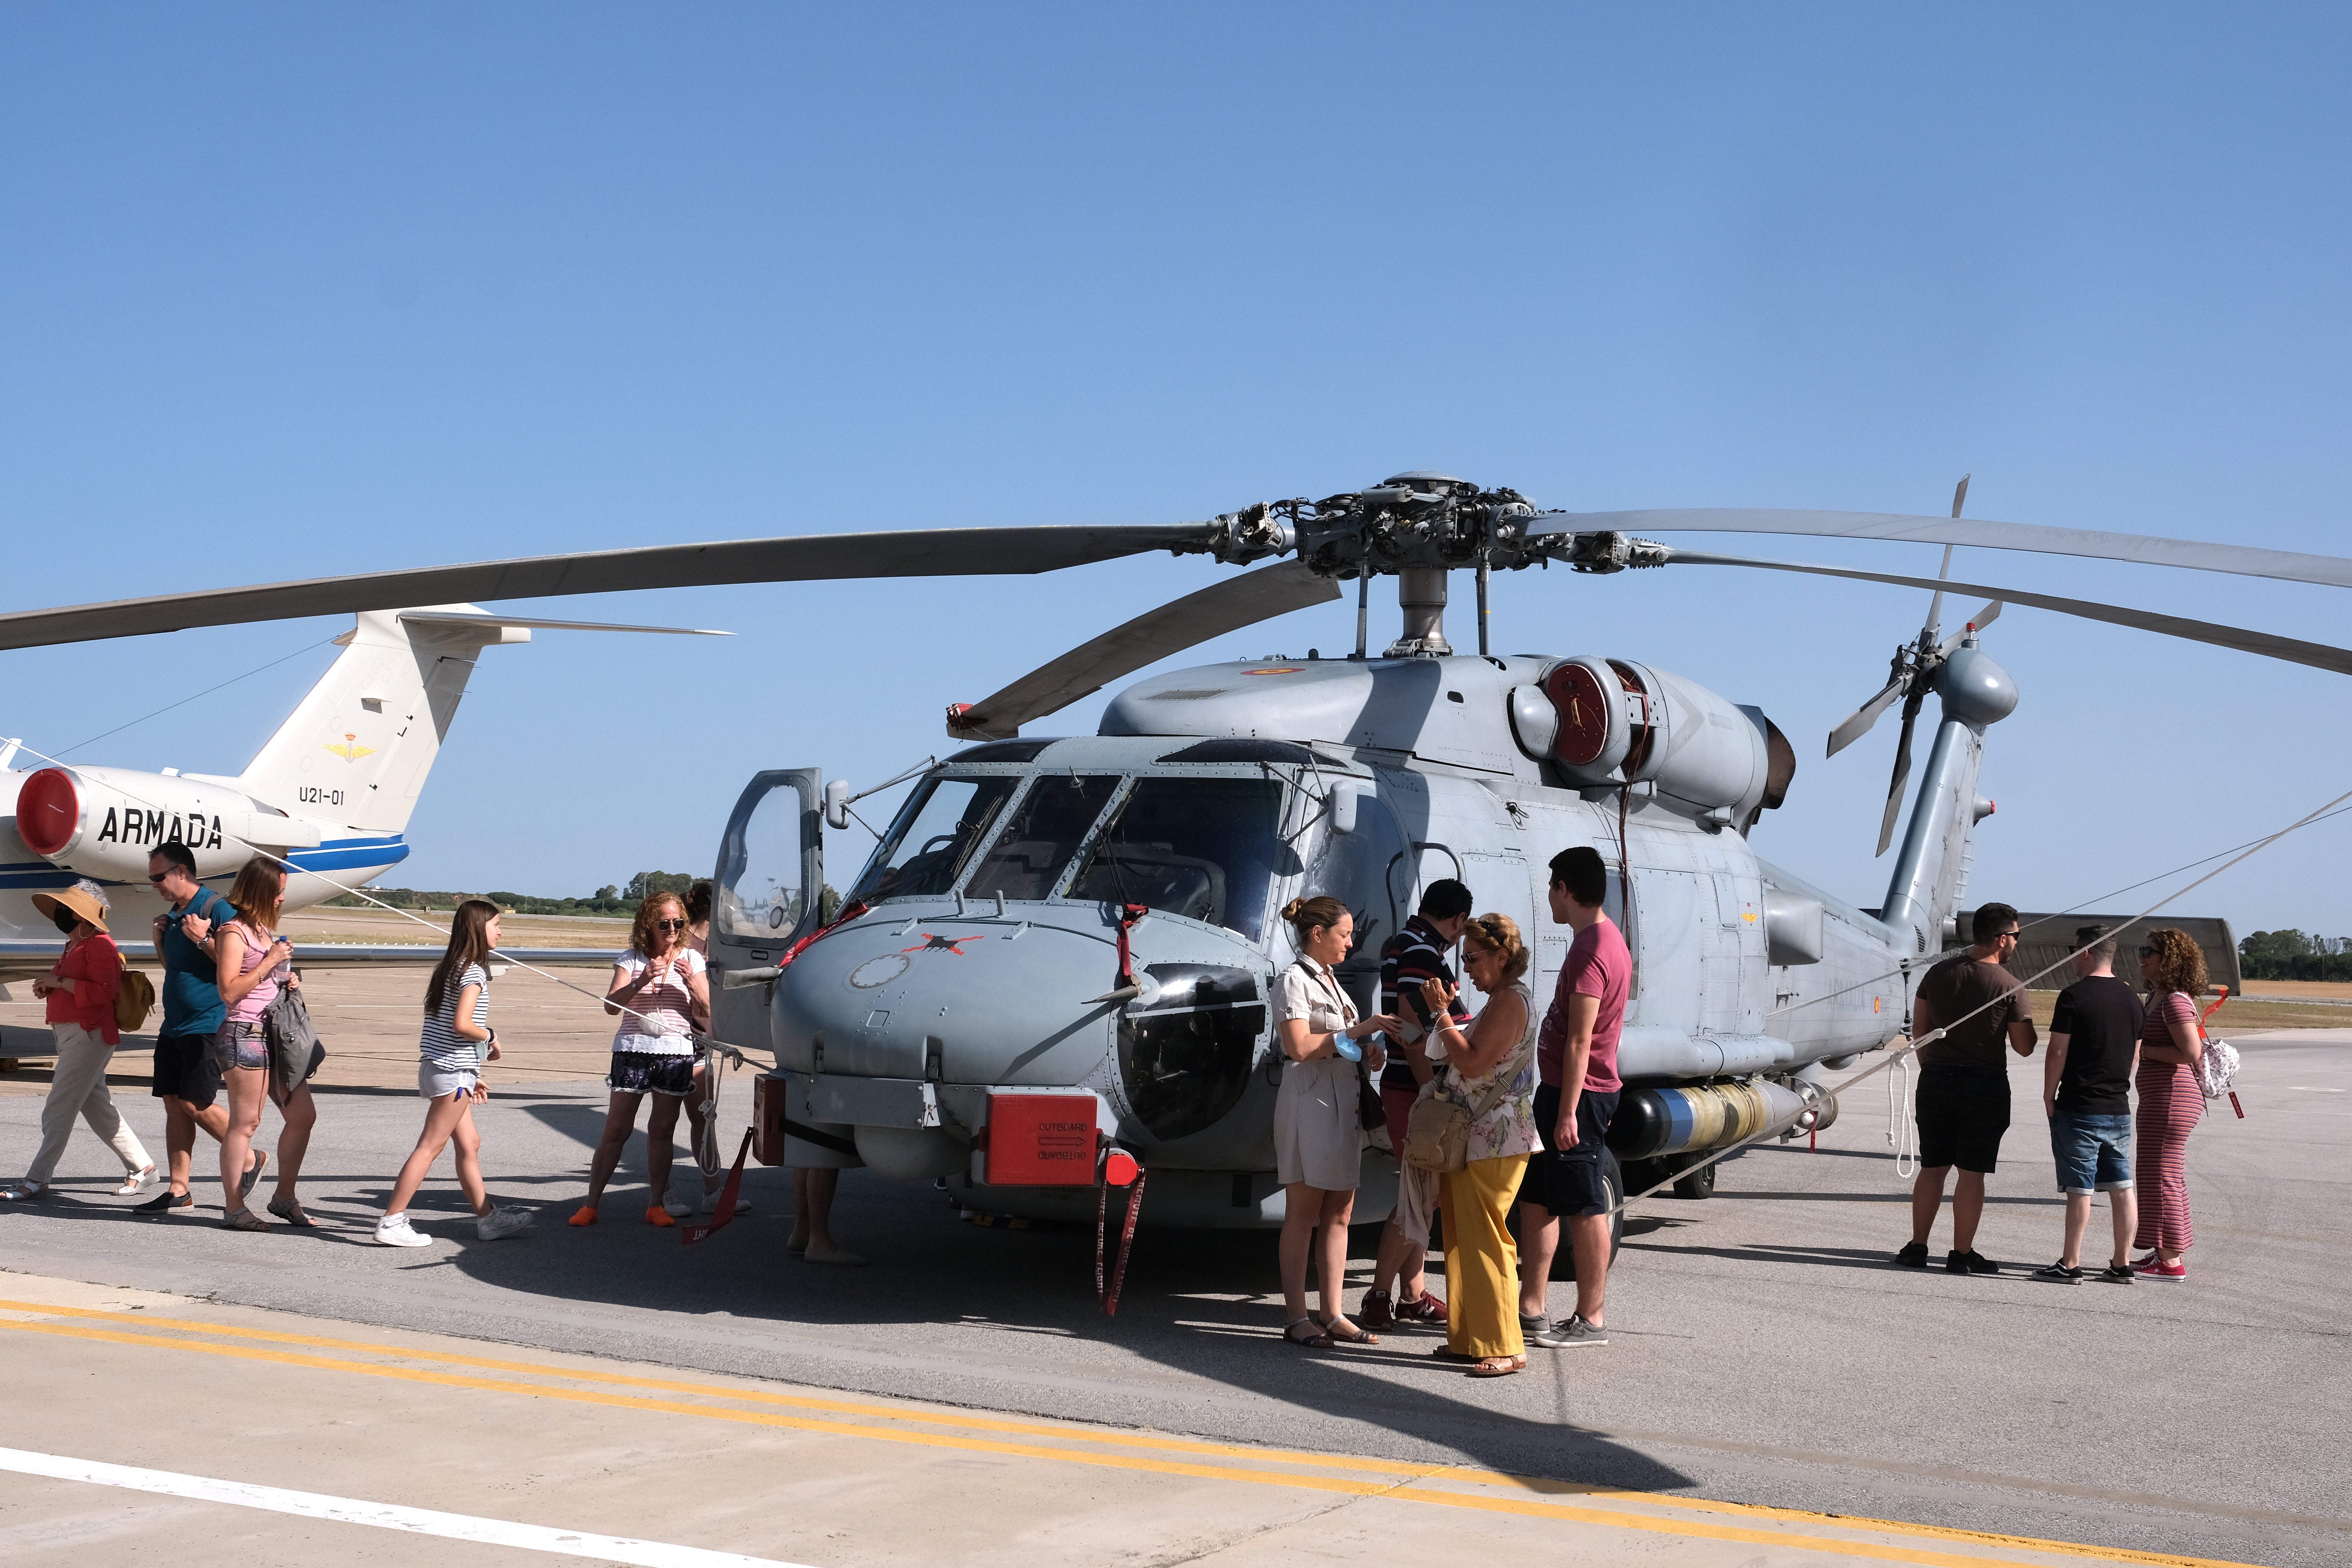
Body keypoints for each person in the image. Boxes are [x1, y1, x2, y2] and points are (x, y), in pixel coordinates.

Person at [1270, 894, 1401, 1349]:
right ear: (1318, 934)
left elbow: (1338, 1042)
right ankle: (1295, 1316)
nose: (1350, 942)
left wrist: (1367, 1049)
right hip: (1311, 1104)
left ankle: (1331, 1311)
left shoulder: (1331, 981)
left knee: (1340, 1212)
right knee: (1303, 1214)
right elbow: (1299, 1047)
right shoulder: (1293, 980)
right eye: (1344, 934)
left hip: (1342, 1100)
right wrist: (1359, 1032)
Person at [1517, 846, 1630, 1350]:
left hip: (1578, 1097)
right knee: (1538, 1200)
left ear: (1565, 889)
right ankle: (1531, 1307)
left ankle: (1591, 1318)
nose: (1548, 899)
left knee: (1584, 1207)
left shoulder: (1593, 949)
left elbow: (1581, 1039)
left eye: (1551, 888)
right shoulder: (1595, 940)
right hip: (1560, 1092)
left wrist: (1567, 1113)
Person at [1415, 914, 1539, 1377]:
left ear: (1502, 958)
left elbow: (1470, 1063)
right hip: (1482, 1134)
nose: (1466, 968)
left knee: (1487, 1238)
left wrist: (1440, 1014)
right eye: (1462, 957)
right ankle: (1470, 1337)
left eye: (1473, 959)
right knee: (1464, 1238)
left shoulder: (1509, 1000)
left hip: (1497, 1136)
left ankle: (1506, 1344)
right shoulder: (1502, 999)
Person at [375, 900, 536, 1246]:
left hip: (444, 1068)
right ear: (480, 929)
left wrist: (470, 1071)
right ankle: (392, 1221)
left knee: (469, 1143)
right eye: (496, 925)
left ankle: (487, 1219)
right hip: (451, 1072)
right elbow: (463, 1025)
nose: (501, 931)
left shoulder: (451, 967)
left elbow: (445, 1028)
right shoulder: (474, 972)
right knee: (429, 1147)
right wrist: (491, 1037)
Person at [1899, 902, 2037, 1275]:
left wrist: (1934, 1067)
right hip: (1984, 1083)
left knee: (1933, 1167)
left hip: (1937, 1079)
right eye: (2016, 936)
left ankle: (1918, 1245)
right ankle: (1961, 1252)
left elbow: (1920, 1031)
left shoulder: (1937, 973)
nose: (2017, 943)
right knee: (1971, 1172)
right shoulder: (2009, 985)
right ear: (2002, 938)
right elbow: (2024, 1046)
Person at [1361, 879, 1472, 1331]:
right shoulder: (1423, 954)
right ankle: (1380, 1294)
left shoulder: (1404, 943)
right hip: (1417, 1088)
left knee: (1423, 1197)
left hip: (1408, 1086)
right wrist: (1434, 1094)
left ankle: (1412, 1293)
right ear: (1458, 919)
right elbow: (1412, 1030)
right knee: (1417, 1196)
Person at [572, 891, 718, 1227]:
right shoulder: (632, 958)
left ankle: (656, 1205)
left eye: (678, 923)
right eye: (664, 923)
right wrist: (642, 980)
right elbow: (611, 1006)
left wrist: (694, 984)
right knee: (617, 1129)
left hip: (675, 1053)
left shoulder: (693, 960)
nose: (672, 929)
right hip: (632, 1051)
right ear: (648, 925)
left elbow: (707, 1010)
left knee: (663, 1129)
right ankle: (590, 1204)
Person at [2, 880, 154, 1201]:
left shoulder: (99, 945)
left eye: (67, 910)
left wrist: (58, 981)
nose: (61, 914)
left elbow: (104, 992)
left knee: (58, 1109)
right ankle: (143, 1168)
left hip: (88, 1034)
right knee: (98, 1108)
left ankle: (37, 1179)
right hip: (73, 1033)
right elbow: (77, 985)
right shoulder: (75, 944)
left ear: (84, 916)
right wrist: (51, 986)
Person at [132, 842, 254, 1216]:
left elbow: (242, 966)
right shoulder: (176, 913)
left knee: (194, 1103)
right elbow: (177, 968)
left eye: (159, 876)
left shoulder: (216, 909)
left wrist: (203, 937)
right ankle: (179, 1189)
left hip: (208, 1022)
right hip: (175, 1025)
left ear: (182, 872)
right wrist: (160, 941)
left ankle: (250, 1156)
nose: (154, 883)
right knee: (174, 1103)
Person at [2035, 925, 2143, 1284]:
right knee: (2122, 1185)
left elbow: (2058, 1051)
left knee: (2079, 1187)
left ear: (2086, 952)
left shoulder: (2073, 996)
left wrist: (2049, 1094)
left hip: (2080, 1106)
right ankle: (2122, 1262)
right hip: (2118, 1107)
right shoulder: (2132, 999)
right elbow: (2134, 1056)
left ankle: (2071, 1262)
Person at [212, 857, 297, 1231]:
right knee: (244, 1124)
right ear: (261, 891)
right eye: (277, 891)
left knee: (280, 1117)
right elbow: (229, 989)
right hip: (243, 1033)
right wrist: (271, 961)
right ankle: (234, 1207)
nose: (282, 898)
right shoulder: (233, 932)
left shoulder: (262, 931)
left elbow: (263, 982)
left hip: (271, 1032)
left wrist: (287, 979)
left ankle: (279, 1198)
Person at [2132, 928, 2207, 1283]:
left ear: (2170, 959)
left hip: (2172, 1099)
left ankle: (2171, 1261)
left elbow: (2191, 1053)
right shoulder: (2159, 997)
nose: (2142, 956)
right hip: (2160, 1098)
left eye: (2149, 951)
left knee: (2162, 1177)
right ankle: (2163, 1249)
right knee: (2158, 1175)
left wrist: (2144, 1052)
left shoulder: (2176, 1000)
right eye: (2141, 950)